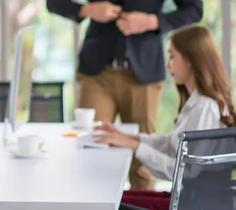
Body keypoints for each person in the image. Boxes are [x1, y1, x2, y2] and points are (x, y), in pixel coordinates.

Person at [46, 0, 203, 190]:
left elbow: (194, 8)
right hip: (96, 73)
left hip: (143, 74)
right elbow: (54, 0)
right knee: (90, 151)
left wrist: (152, 21)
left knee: (141, 162)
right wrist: (87, 9)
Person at [95, 24, 236, 209]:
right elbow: (172, 144)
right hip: (186, 197)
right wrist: (130, 138)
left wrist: (135, 146)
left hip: (191, 203)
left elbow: (186, 171)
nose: (167, 64)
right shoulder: (197, 101)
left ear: (190, 60)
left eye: (172, 56)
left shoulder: (205, 107)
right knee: (111, 195)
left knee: (106, 203)